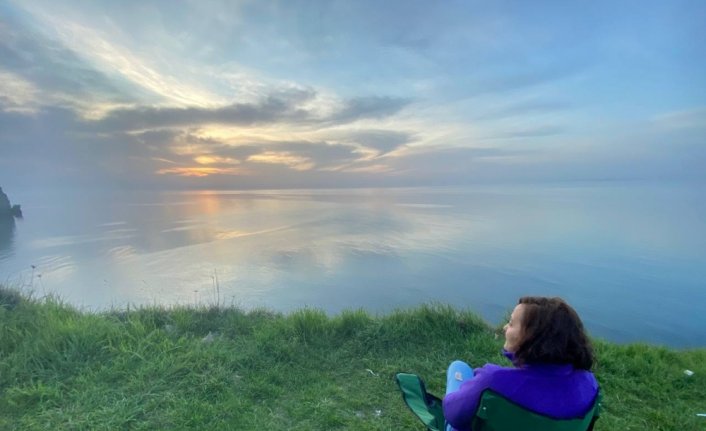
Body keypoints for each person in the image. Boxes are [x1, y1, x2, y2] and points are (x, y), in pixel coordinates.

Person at [442, 296, 599, 431]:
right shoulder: (589, 384)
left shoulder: (493, 381)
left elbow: (453, 415)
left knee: (459, 367)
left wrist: (476, 383)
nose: (504, 328)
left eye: (510, 323)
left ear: (532, 337)